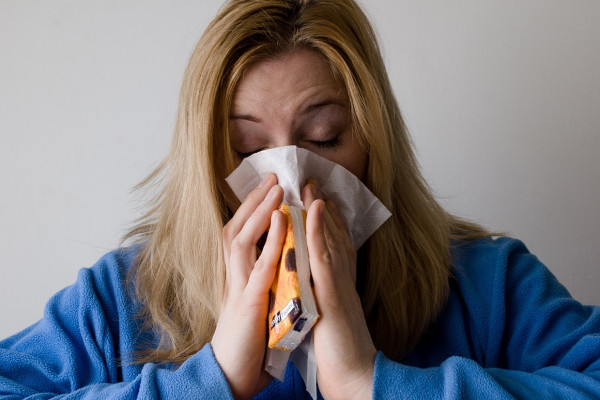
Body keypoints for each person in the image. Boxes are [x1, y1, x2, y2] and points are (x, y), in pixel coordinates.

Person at [1, 0, 599, 398]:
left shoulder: (486, 284)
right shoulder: (120, 301)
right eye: (246, 148)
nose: (286, 180)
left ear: (373, 140)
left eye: (322, 139)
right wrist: (214, 380)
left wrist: (371, 382)